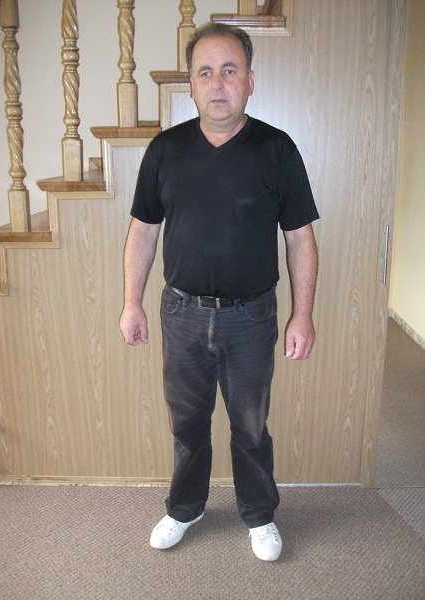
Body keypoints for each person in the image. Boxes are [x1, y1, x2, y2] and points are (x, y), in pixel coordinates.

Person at [119, 22, 319, 562]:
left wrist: (302, 315)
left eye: (230, 70)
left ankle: (259, 514)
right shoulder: (165, 150)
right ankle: (186, 508)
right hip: (182, 313)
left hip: (251, 318)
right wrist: (131, 302)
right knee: (187, 422)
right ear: (191, 84)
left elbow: (299, 238)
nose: (217, 83)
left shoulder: (277, 150)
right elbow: (143, 230)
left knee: (250, 424)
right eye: (205, 72)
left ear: (250, 81)